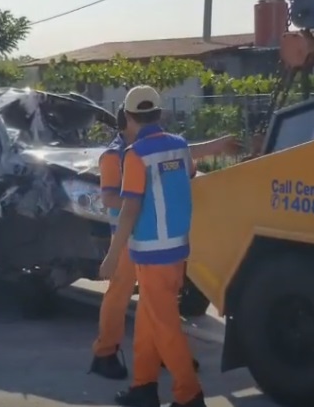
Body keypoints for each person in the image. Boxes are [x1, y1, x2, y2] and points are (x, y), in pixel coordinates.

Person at [90, 104, 241, 381]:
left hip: (150, 237)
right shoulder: (114, 156)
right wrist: (140, 199)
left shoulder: (147, 148)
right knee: (121, 295)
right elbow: (110, 199)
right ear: (128, 123)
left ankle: (162, 355)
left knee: (155, 303)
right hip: (127, 238)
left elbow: (186, 151)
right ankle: (105, 352)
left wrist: (218, 145)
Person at [100, 85, 207, 407]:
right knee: (149, 319)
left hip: (150, 251)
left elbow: (129, 209)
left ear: (129, 117)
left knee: (165, 327)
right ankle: (143, 387)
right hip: (177, 248)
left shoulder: (136, 155)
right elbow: (188, 174)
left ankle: (189, 395)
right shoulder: (180, 146)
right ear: (160, 114)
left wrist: (111, 255)